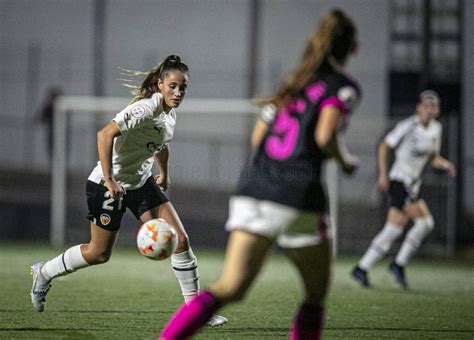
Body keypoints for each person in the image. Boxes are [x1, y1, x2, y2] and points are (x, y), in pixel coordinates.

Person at [160, 9, 361, 340]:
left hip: (254, 188)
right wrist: (347, 160)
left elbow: (258, 137)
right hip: (298, 197)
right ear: (352, 49)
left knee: (230, 286)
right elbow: (325, 137)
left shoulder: (294, 82)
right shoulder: (342, 88)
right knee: (314, 298)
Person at [30, 55, 227, 327]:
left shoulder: (169, 116)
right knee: (99, 254)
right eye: (172, 86)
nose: (178, 92)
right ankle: (44, 272)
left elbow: (161, 145)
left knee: (180, 240)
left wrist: (164, 173)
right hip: (107, 185)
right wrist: (110, 179)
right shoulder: (144, 109)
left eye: (183, 88)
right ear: (160, 84)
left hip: (141, 182)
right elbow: (104, 134)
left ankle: (196, 313)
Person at [351, 90, 456, 289]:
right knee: (425, 223)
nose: (430, 109)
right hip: (399, 182)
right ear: (418, 108)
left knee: (392, 230)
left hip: (413, 186)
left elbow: (433, 158)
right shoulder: (408, 126)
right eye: (426, 105)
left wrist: (446, 165)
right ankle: (398, 264)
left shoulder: (436, 128)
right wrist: (383, 175)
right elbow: (384, 146)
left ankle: (362, 268)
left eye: (434, 105)